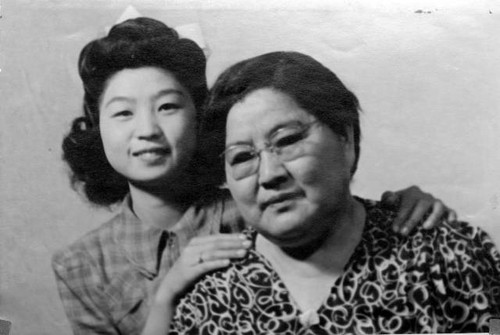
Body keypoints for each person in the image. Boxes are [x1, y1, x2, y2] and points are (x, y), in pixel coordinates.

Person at [52, 18, 457, 335]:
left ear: (202, 118)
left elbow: (346, 223)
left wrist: (401, 206)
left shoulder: (260, 204)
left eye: (168, 107)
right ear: (95, 126)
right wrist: (166, 297)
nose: (147, 131)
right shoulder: (80, 266)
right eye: (123, 112)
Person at [168, 51, 500, 334]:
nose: (269, 175)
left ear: (346, 139)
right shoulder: (207, 298)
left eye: (287, 141)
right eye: (242, 157)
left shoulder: (444, 258)